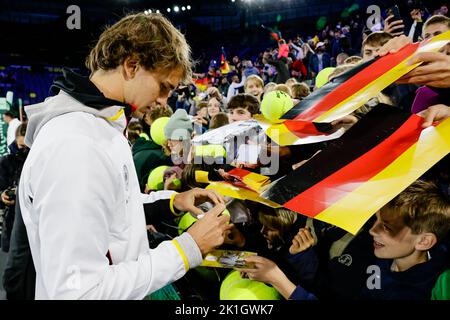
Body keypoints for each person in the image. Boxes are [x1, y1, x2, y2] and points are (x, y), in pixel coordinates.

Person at [18, 13, 231, 300]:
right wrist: (187, 248)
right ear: (132, 66)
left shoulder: (102, 124)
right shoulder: (76, 145)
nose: (163, 101)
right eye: (164, 86)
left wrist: (171, 202)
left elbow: (113, 207)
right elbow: (79, 293)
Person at [364, 180, 450, 299]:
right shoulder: (382, 256)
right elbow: (369, 290)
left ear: (423, 241)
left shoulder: (421, 292)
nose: (372, 230)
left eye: (386, 227)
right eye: (376, 219)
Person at [0, 123, 28, 252]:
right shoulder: (6, 162)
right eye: (21, 146)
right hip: (12, 221)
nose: (24, 151)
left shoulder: (41, 162)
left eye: (28, 147)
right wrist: (3, 195)